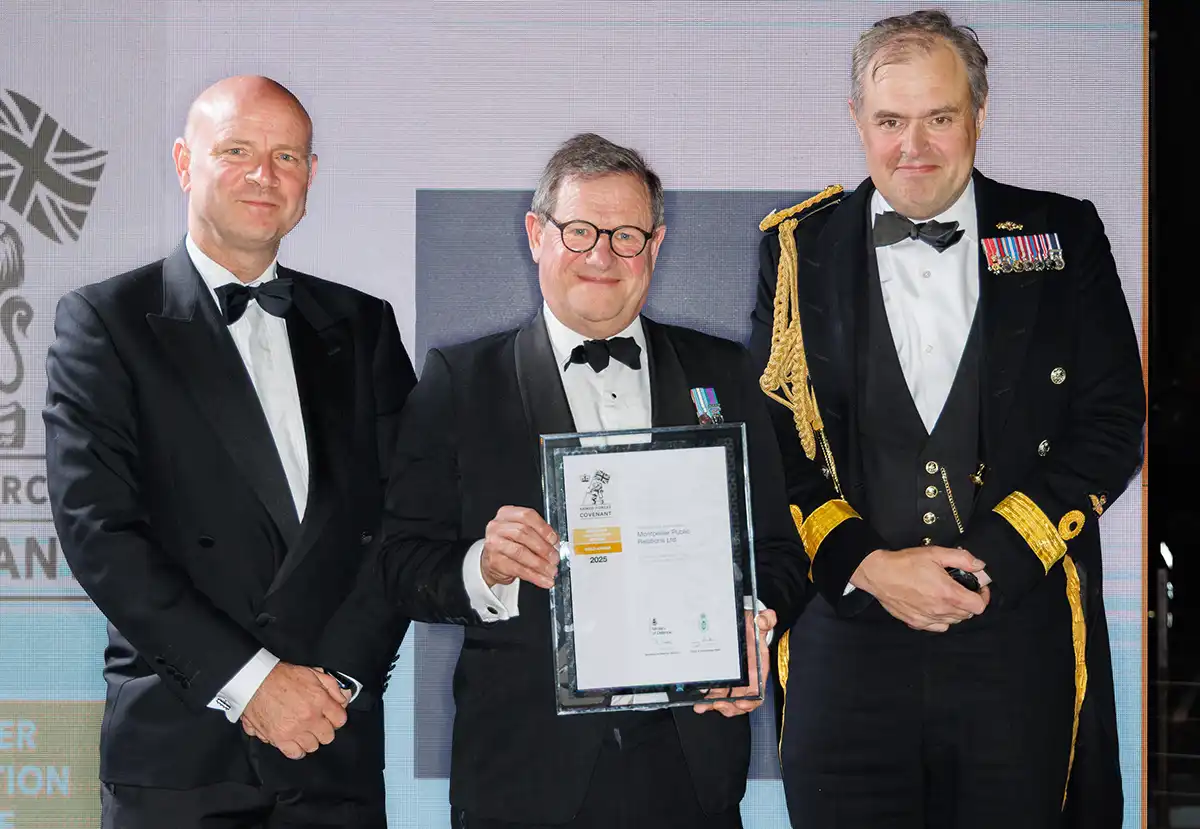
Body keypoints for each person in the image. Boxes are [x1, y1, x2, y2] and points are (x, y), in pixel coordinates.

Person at [323, 132, 810, 828]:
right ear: (536, 234)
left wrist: (752, 629)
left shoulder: (725, 372)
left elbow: (780, 554)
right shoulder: (460, 382)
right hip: (523, 779)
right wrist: (484, 566)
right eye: (579, 230)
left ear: (658, 243)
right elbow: (402, 564)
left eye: (627, 235)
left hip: (690, 772)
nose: (602, 255)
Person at [749, 10, 1144, 829]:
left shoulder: (1061, 234)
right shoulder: (798, 247)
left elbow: (1111, 422)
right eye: (890, 120)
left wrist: (989, 562)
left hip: (1013, 636)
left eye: (940, 116)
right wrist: (870, 565)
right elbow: (773, 438)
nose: (913, 145)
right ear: (857, 120)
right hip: (847, 641)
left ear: (980, 114)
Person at [43, 75, 415, 828]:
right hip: (183, 757)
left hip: (329, 744)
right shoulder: (105, 322)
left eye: (287, 155)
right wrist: (254, 684)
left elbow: (404, 518)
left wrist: (334, 680)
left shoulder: (363, 325)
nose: (264, 174)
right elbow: (100, 534)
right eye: (237, 150)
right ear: (185, 163)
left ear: (311, 176)